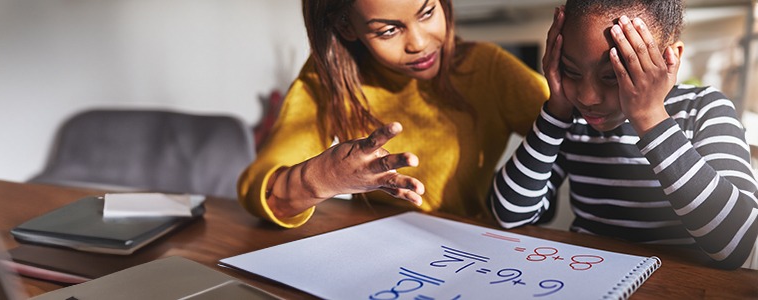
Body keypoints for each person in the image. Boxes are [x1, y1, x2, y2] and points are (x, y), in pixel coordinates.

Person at [490, 0, 758, 269]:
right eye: (571, 71)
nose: (587, 97)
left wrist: (650, 117)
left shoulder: (704, 109)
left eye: (613, 75)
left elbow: (736, 244)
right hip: (585, 277)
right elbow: (508, 214)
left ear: (669, 59)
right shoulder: (571, 119)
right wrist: (556, 112)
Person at [238, 0, 549, 228]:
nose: (420, 43)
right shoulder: (328, 81)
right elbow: (264, 191)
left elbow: (571, 120)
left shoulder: (487, 68)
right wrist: (323, 178)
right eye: (388, 30)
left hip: (474, 249)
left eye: (427, 12)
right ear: (346, 27)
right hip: (380, 248)